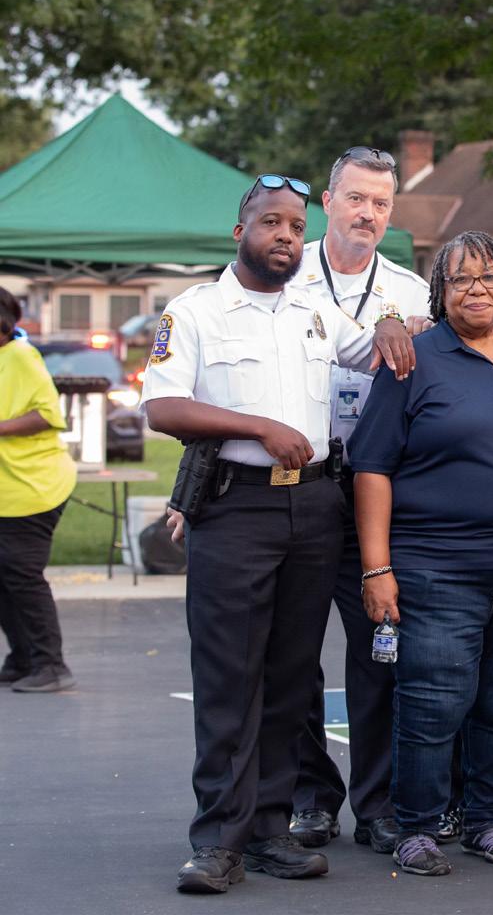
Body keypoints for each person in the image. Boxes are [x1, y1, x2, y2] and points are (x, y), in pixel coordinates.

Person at [142, 175, 415, 895]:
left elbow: (377, 346)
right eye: (271, 223)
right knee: (230, 677)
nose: (286, 236)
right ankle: (216, 841)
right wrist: (258, 426)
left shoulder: (316, 311)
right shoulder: (195, 311)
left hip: (316, 507)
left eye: (296, 226)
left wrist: (391, 322)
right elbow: (163, 407)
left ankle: (268, 831)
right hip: (237, 508)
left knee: (292, 679)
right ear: (242, 233)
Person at [350, 231, 493, 877]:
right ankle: (417, 826)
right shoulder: (413, 360)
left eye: (488, 277)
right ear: (439, 293)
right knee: (433, 701)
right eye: (461, 279)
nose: (477, 289)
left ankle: (485, 822)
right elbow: (372, 468)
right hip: (437, 567)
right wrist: (376, 568)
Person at [289, 146, 430, 856]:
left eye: (380, 203)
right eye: (355, 198)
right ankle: (311, 797)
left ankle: (378, 804)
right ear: (327, 201)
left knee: (380, 654)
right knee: (293, 656)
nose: (367, 213)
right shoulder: (284, 279)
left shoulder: (414, 292)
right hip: (303, 487)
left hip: (377, 494)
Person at [0, 288, 77, 694]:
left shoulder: (20, 356)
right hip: (8, 490)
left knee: (22, 575)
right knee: (4, 578)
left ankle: (51, 665)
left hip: (34, 486)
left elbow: (48, 414)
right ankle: (23, 659)